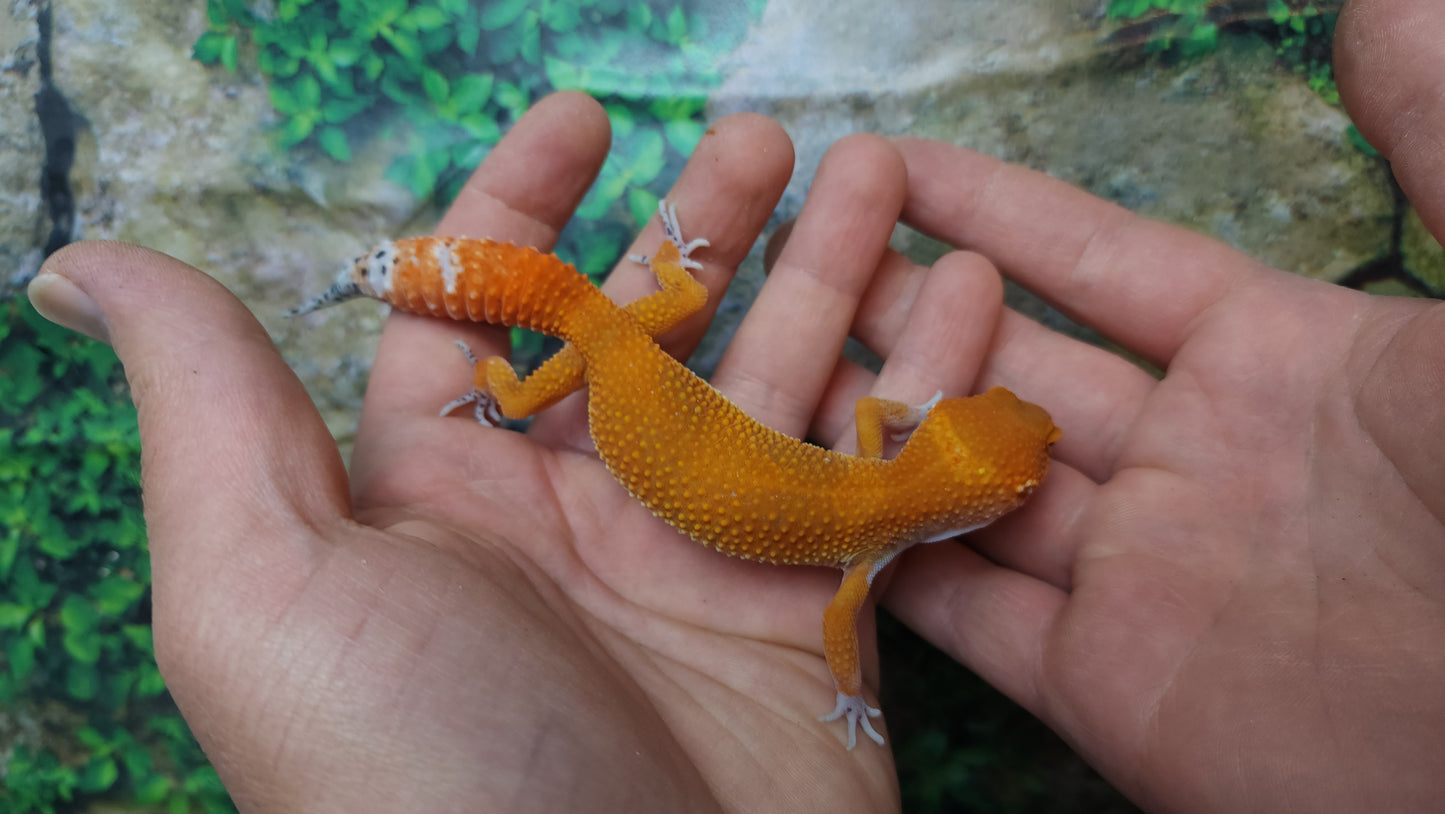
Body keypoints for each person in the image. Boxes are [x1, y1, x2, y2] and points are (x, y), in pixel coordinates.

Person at [27, 0, 1444, 809]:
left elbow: (872, 481)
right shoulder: (868, 543)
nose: (1029, 424)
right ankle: (426, 310)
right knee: (539, 358)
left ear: (982, 473)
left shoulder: (877, 511)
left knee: (568, 339)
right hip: (601, 355)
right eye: (1016, 415)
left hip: (620, 343)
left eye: (1011, 424)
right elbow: (849, 607)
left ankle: (450, 323)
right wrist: (846, 694)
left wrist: (869, 414)